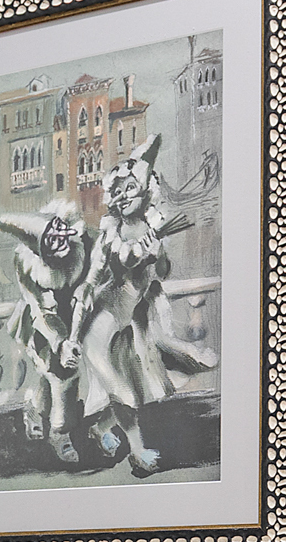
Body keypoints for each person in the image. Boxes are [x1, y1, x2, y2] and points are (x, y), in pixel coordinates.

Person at [77, 135, 213, 477]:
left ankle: (100, 428)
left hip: (132, 321)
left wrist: (157, 254)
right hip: (101, 324)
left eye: (129, 190)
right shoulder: (111, 232)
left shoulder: (155, 227)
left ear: (145, 192)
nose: (122, 198)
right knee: (122, 390)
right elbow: (97, 277)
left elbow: (163, 272)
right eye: (117, 192)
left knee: (138, 388)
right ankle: (138, 453)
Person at [0, 199, 92, 464]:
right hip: (41, 323)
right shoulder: (27, 266)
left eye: (59, 231)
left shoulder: (83, 242)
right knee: (62, 375)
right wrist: (60, 342)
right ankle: (61, 433)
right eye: (50, 240)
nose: (59, 240)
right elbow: (40, 311)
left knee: (49, 378)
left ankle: (34, 411)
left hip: (74, 314)